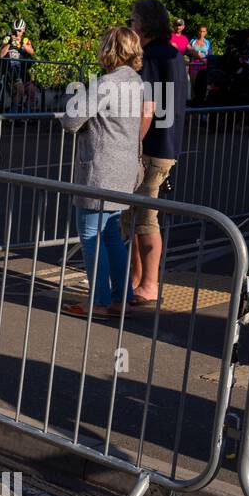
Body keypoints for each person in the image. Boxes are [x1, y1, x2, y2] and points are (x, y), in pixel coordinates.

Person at [59, 27, 146, 318]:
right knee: (110, 234)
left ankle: (97, 301)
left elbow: (72, 121)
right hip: (124, 170)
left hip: (99, 169)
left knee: (90, 236)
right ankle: (122, 297)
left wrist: (80, 95)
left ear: (109, 49)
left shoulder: (105, 83)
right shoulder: (136, 81)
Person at [126, 0, 187, 307]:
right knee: (136, 215)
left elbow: (147, 108)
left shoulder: (151, 55)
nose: (131, 25)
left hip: (153, 147)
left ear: (146, 24)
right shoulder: (173, 53)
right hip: (166, 143)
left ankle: (147, 283)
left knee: (145, 216)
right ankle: (137, 280)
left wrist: (132, 143)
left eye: (134, 20)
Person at [0, 20, 36, 110]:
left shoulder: (25, 40)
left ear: (23, 30)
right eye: (14, 30)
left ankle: (27, 111)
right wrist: (10, 43)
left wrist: (23, 45)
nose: (16, 32)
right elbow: (1, 55)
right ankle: (15, 113)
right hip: (11, 71)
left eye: (19, 30)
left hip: (23, 71)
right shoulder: (7, 38)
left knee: (32, 90)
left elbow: (32, 52)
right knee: (19, 89)